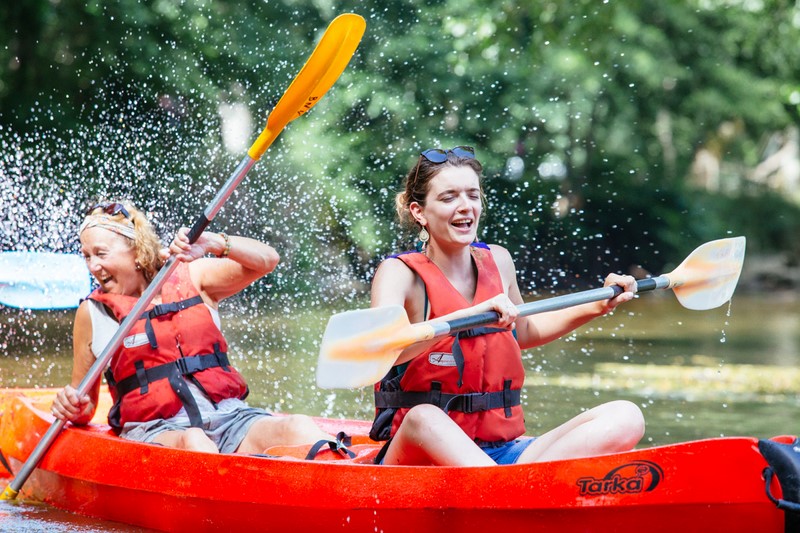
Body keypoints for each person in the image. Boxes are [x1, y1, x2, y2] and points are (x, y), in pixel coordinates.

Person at [369, 146, 645, 466]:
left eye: (473, 195)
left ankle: (514, 485)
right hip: (421, 454)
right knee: (424, 417)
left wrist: (599, 303)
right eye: (449, 198)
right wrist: (470, 315)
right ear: (419, 212)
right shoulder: (400, 273)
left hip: (501, 450)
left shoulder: (498, 260)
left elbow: (524, 330)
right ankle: (510, 488)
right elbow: (380, 353)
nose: (465, 207)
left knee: (626, 416)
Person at [51, 201, 333, 454]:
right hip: (157, 432)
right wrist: (72, 407)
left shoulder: (192, 275)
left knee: (298, 426)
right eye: (86, 256)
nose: (93, 266)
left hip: (231, 419)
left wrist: (212, 242)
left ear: (136, 250)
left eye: (101, 253)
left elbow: (267, 260)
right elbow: (85, 404)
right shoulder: (92, 312)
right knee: (195, 440)